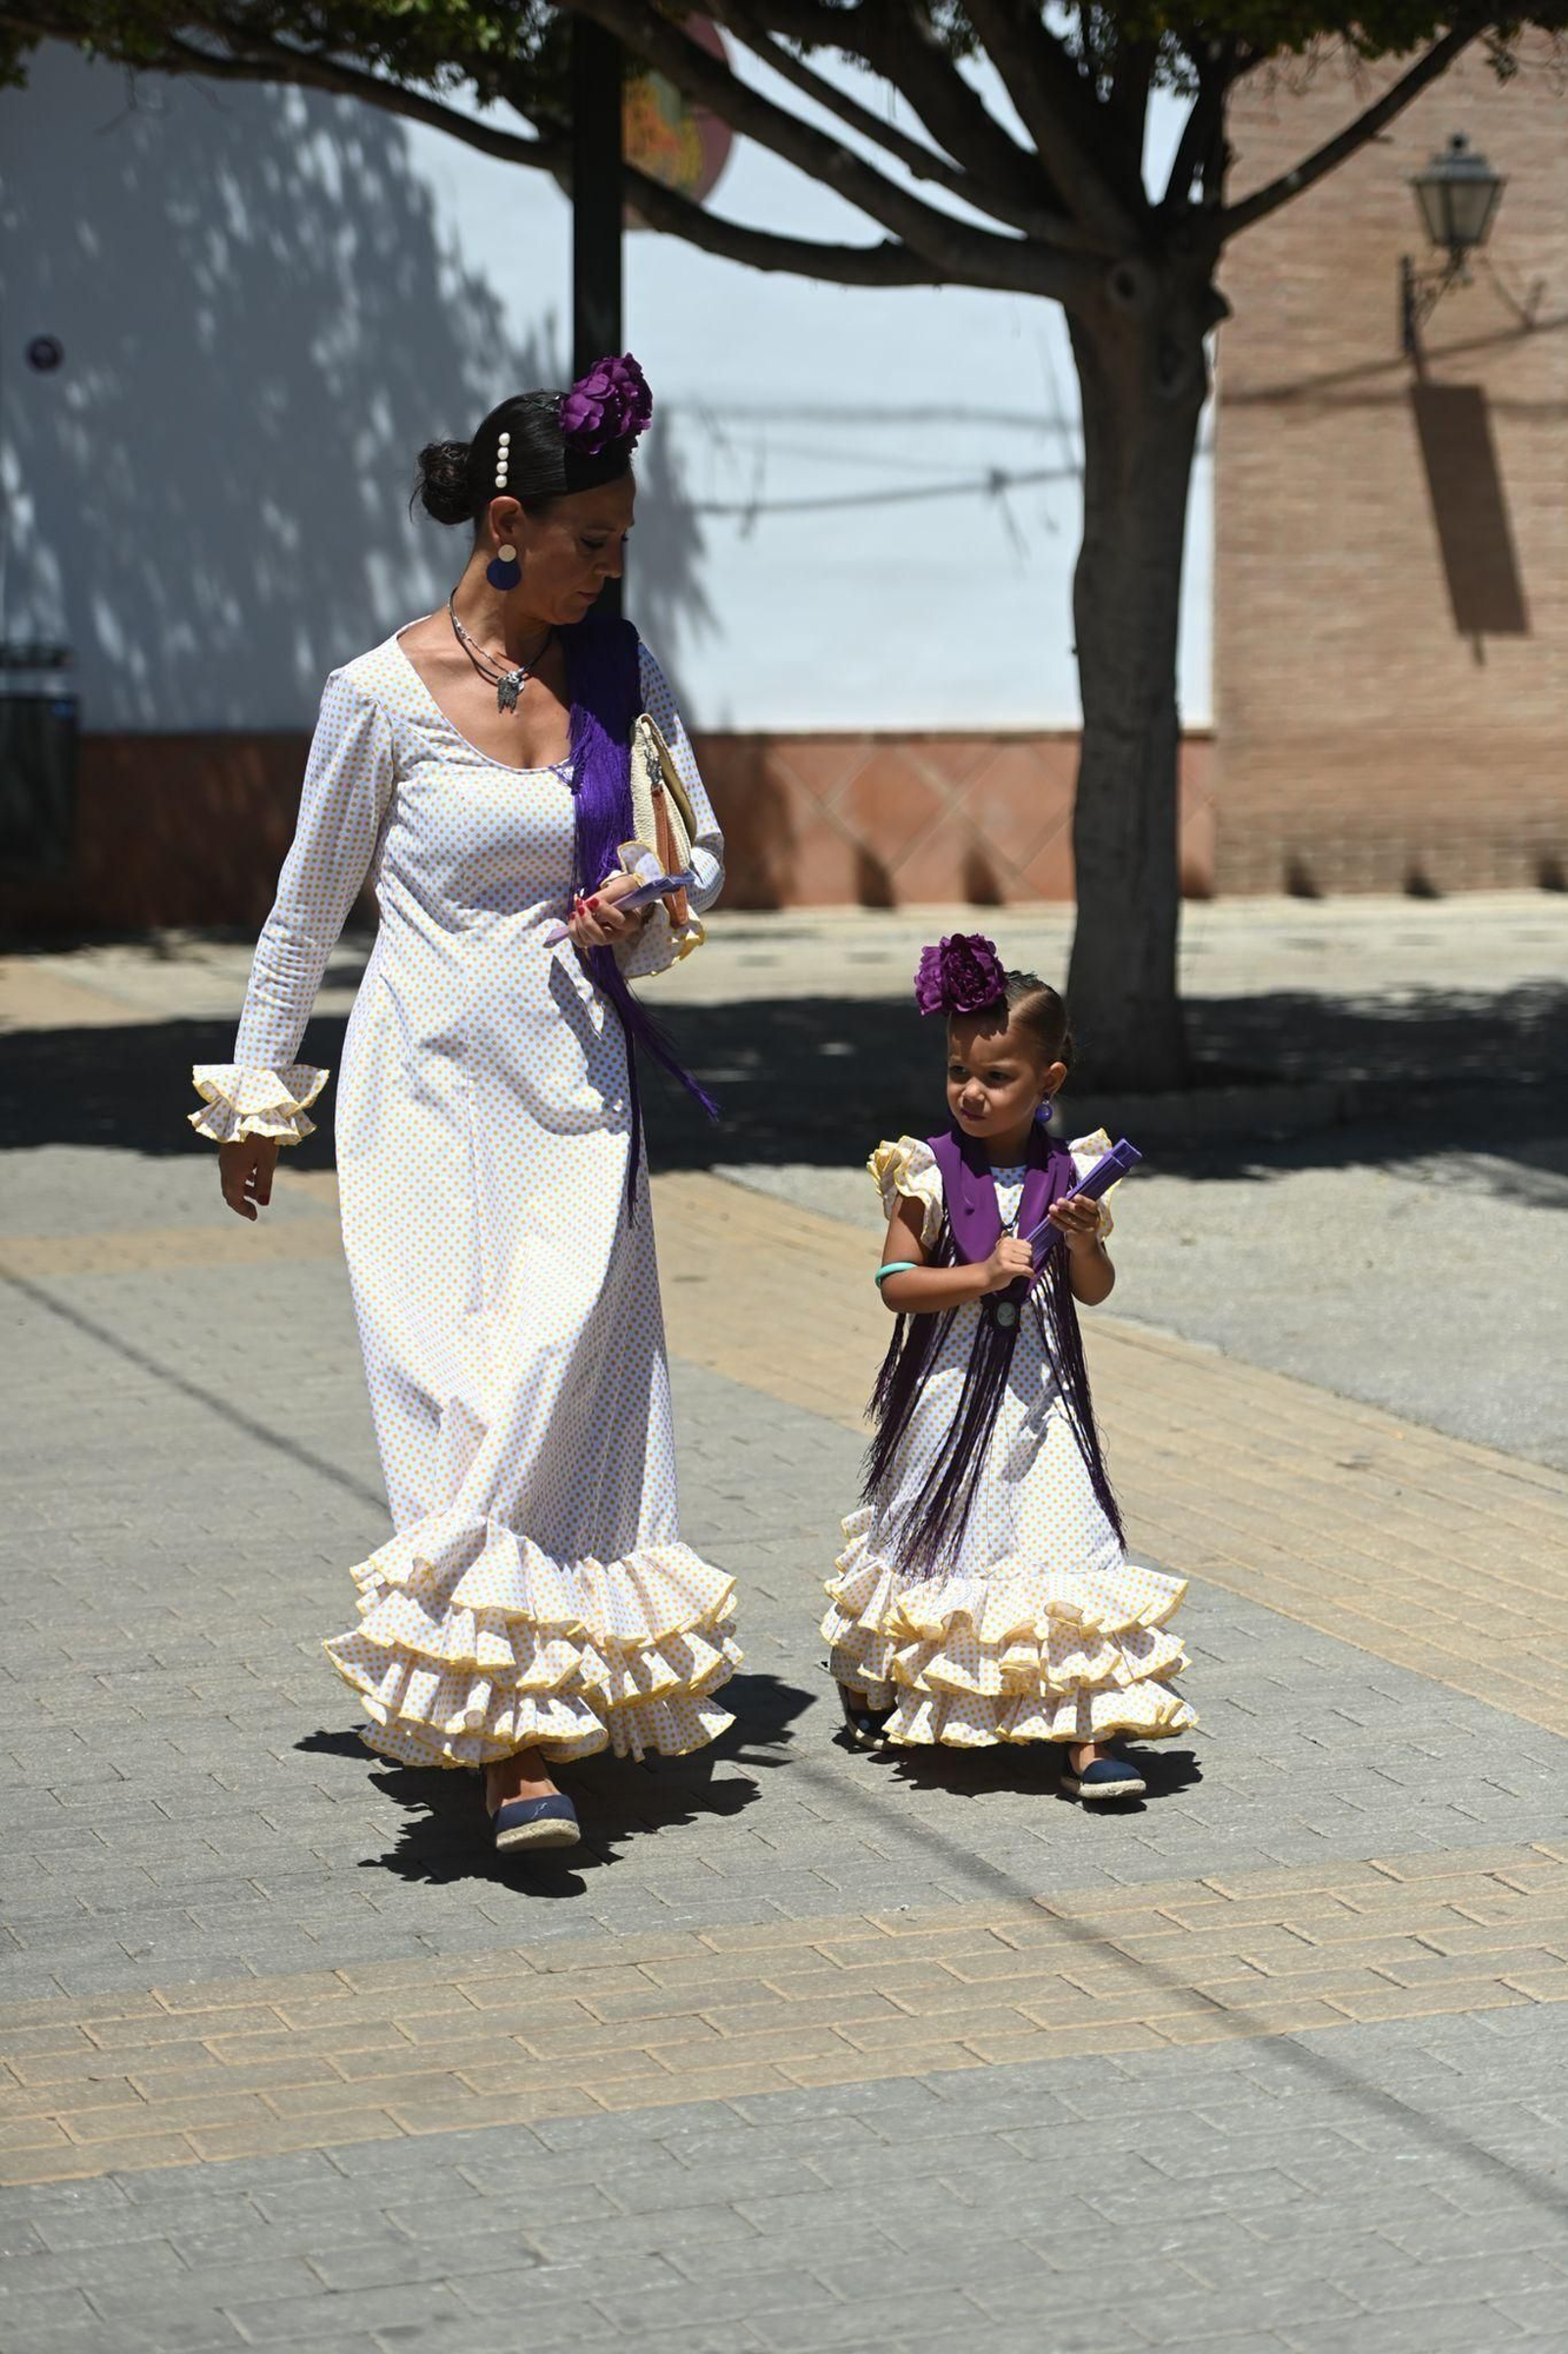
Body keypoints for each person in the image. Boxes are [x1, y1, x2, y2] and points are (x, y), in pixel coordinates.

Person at [190, 355, 740, 1854]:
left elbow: (703, 856)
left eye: (623, 543)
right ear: (507, 522)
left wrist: (648, 895)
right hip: (420, 1093)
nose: (612, 568)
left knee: (558, 1376)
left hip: (575, 1089)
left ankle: (542, 1700)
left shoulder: (619, 677)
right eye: (592, 542)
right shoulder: (376, 697)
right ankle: (507, 1742)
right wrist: (255, 1095)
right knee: (459, 1394)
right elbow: (306, 913)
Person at [822, 932, 1195, 1799]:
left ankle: (1089, 1728)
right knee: (939, 1536)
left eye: (997, 1078)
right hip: (951, 1393)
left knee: (1074, 1545)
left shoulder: (1071, 1169)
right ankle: (884, 1668)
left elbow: (1093, 1291)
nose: (971, 1092)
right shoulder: (923, 1168)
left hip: (1044, 1395)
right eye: (958, 1072)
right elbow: (895, 1282)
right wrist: (980, 1274)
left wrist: (1084, 1241)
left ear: (1048, 1084)